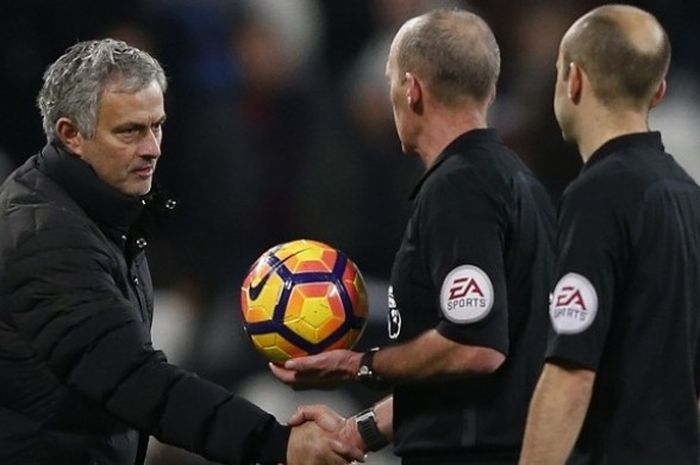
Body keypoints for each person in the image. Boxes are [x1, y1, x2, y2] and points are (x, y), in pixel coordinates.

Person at [0, 39, 365, 465]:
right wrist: (278, 444)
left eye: (157, 126)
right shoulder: (45, 238)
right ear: (71, 135)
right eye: (130, 131)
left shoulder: (98, 211)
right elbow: (133, 380)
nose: (152, 147)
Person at [271, 8, 555, 464]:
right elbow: (471, 370)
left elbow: (474, 347)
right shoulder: (518, 183)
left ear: (412, 88)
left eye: (390, 83)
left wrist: (358, 363)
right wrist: (359, 431)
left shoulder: (460, 186)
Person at [518, 5, 700, 465]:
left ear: (572, 80)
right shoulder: (689, 196)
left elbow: (570, 373)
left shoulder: (599, 195)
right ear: (659, 91)